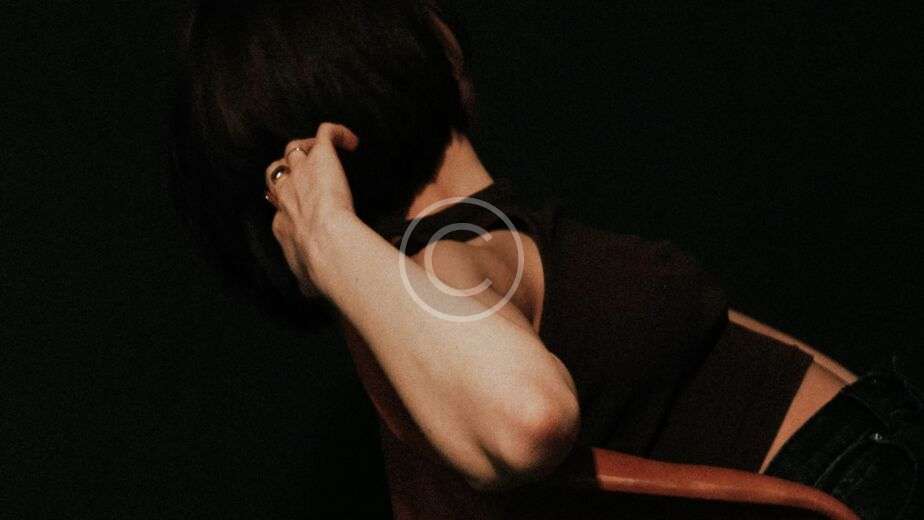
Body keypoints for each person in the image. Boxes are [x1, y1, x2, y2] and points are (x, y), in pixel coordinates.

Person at [167, 1, 923, 518]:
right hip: (856, 482)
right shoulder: (449, 252)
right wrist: (328, 236)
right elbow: (526, 420)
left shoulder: (476, 233)